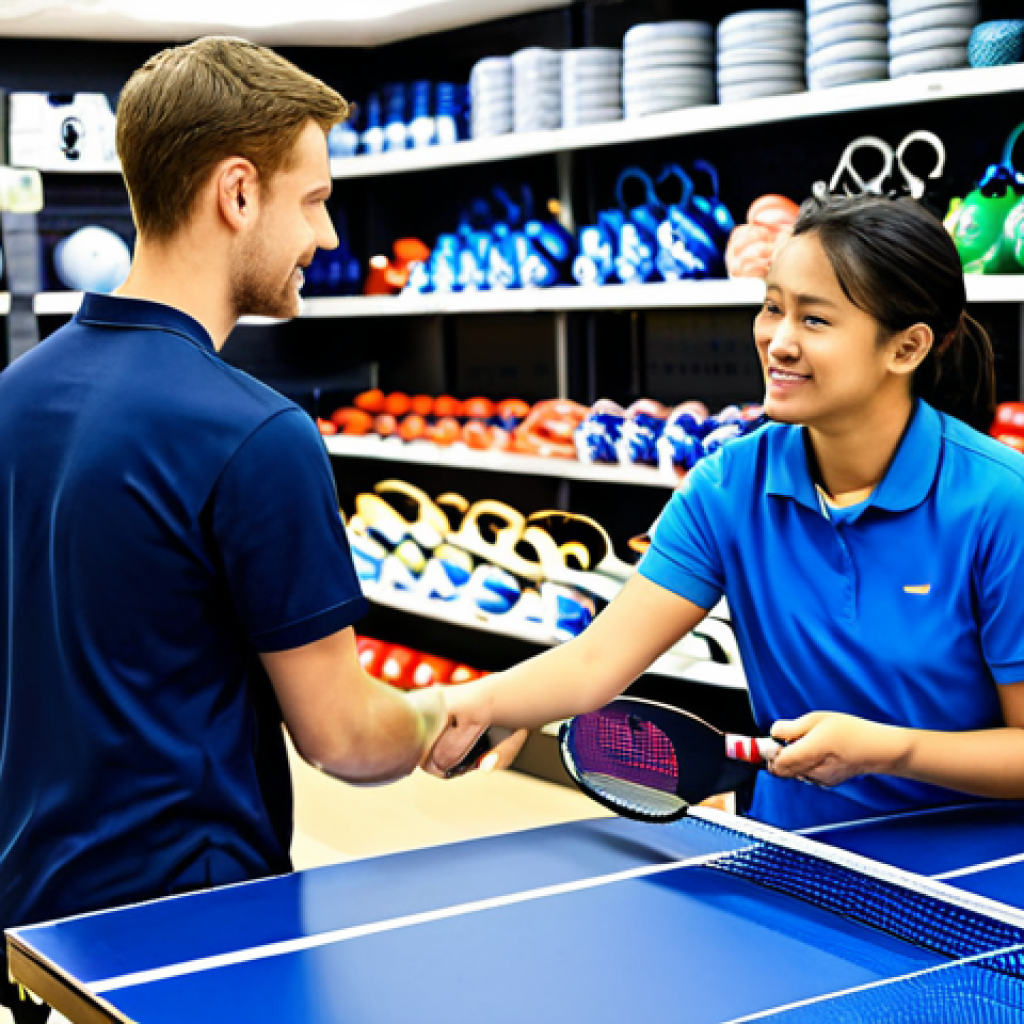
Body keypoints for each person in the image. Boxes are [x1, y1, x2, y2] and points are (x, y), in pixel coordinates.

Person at [0, 37, 446, 1023]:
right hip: (198, 933)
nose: (325, 236)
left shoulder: (12, 396)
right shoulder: (256, 433)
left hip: (37, 921)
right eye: (313, 199)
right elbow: (344, 738)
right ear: (237, 193)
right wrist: (458, 712)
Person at [427, 194, 1024, 832]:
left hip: (976, 871)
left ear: (905, 348)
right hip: (797, 854)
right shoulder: (727, 486)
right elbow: (596, 661)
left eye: (815, 320)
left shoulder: (1000, 504)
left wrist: (888, 749)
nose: (779, 342)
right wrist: (474, 703)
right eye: (772, 307)